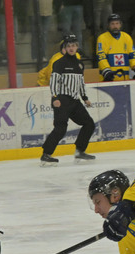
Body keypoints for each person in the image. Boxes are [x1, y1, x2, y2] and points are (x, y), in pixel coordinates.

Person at [40, 34, 95, 166]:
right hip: (61, 100)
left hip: (74, 101)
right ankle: (46, 154)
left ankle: (80, 151)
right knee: (61, 128)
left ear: (77, 47)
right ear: (64, 48)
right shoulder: (59, 63)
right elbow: (54, 81)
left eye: (74, 45)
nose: (71, 48)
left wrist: (85, 98)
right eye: (69, 46)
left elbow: (80, 82)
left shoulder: (80, 64)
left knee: (89, 124)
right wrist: (55, 97)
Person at [96, 13, 135, 82]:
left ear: (120, 25)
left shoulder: (127, 37)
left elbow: (132, 56)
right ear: (108, 25)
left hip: (125, 79)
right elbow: (101, 57)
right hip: (108, 79)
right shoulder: (102, 38)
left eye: (117, 23)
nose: (115, 26)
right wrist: (106, 70)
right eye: (112, 24)